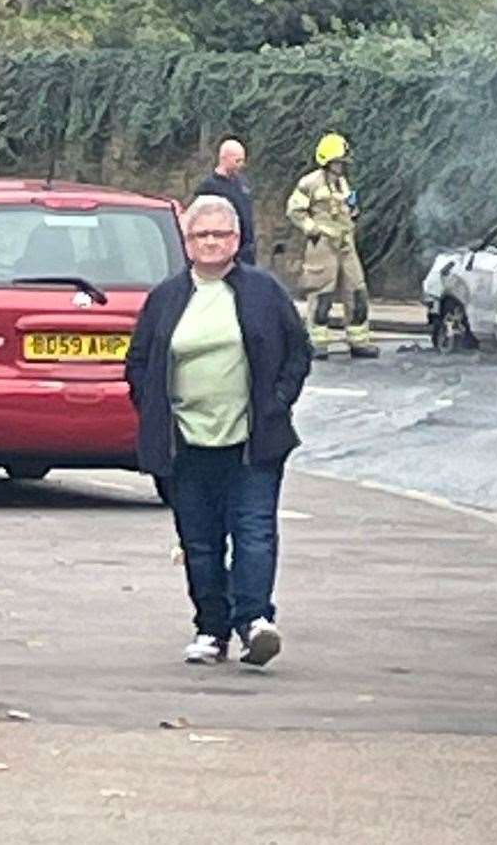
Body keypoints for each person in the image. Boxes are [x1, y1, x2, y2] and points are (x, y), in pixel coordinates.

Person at [125, 195, 312, 667]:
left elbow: (297, 351)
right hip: (186, 442)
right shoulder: (166, 298)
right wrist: (153, 411)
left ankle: (254, 622)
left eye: (221, 234)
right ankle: (211, 629)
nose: (211, 243)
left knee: (253, 532)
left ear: (237, 240)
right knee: (200, 542)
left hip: (252, 439)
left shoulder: (263, 292)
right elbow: (140, 363)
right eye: (200, 235)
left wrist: (277, 402)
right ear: (187, 243)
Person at [286, 132, 380, 360]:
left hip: (346, 244)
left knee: (357, 290)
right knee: (322, 294)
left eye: (343, 163)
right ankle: (317, 342)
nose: (342, 166)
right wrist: (313, 229)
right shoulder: (309, 183)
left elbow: (347, 208)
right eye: (338, 162)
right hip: (323, 245)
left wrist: (353, 211)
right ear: (326, 160)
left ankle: (358, 340)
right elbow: (294, 211)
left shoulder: (342, 183)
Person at [194, 137, 257, 266]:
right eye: (237, 161)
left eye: (243, 160)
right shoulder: (209, 188)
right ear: (224, 158)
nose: (241, 165)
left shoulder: (242, 184)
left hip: (245, 253)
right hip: (224, 254)